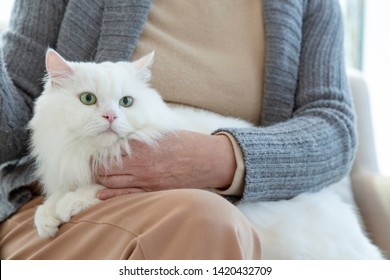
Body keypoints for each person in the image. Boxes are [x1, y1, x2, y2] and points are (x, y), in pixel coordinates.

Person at [0, 0, 356, 259]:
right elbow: (10, 133)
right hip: (61, 205)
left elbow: (334, 128)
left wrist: (223, 160)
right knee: (205, 221)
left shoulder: (312, 6)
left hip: (246, 207)